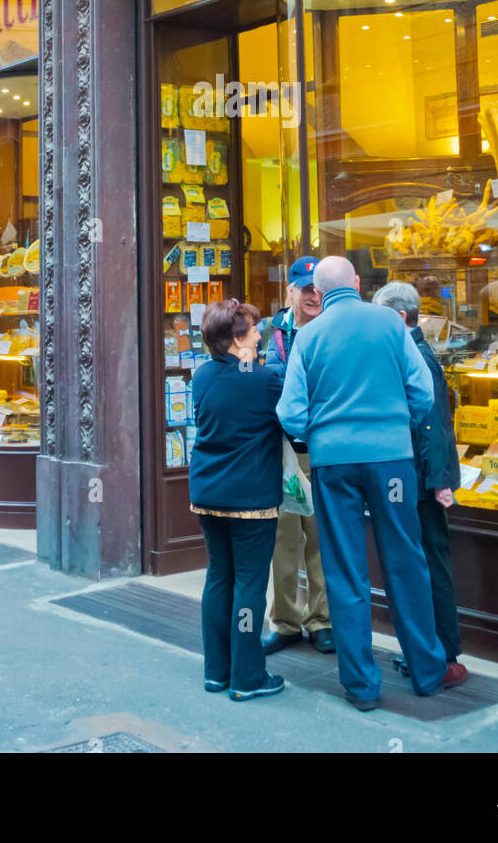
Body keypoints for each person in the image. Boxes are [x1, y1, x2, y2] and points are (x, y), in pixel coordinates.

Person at [277, 256, 464, 709]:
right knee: (406, 560)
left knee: (344, 568)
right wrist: (396, 425)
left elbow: (289, 412)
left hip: (333, 463)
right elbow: (422, 393)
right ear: (357, 283)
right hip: (391, 461)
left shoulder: (309, 335)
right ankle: (427, 671)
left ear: (318, 293)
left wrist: (317, 436)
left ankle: (361, 686)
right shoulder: (389, 323)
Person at [189, 299, 286, 702]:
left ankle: (217, 671)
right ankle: (247, 676)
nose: (260, 334)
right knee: (249, 584)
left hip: (208, 492)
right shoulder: (262, 380)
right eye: (253, 330)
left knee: (218, 578)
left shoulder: (201, 375)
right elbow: (290, 420)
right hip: (251, 497)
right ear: (236, 338)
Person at [373, 281, 466, 682]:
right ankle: (430, 651)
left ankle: (444, 656)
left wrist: (438, 479)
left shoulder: (416, 355)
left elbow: (431, 423)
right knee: (421, 561)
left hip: (422, 479)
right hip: (420, 476)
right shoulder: (409, 350)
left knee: (429, 562)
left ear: (398, 316)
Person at [261, 256, 334, 656]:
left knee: (321, 540)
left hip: (322, 449)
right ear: (290, 291)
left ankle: (321, 620)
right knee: (283, 540)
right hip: (283, 450)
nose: (312, 296)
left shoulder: (332, 329)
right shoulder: (268, 333)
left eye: (317, 289)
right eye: (305, 289)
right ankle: (286, 621)